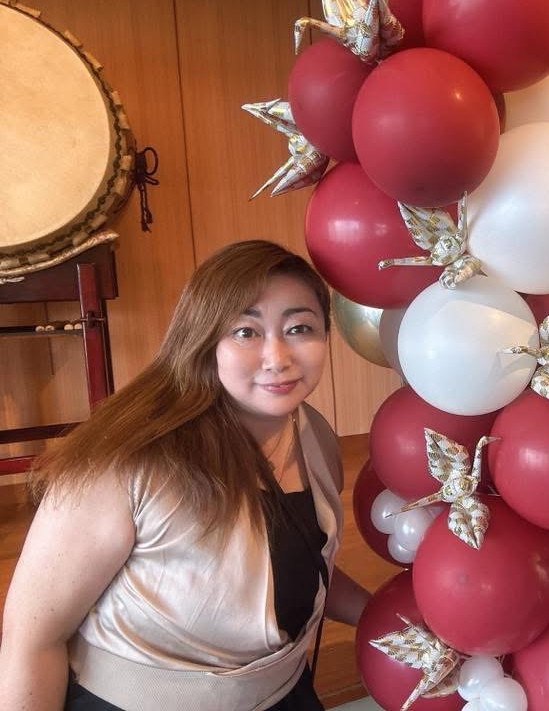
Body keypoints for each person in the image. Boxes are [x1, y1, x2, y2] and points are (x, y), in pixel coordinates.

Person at [0, 240, 371, 711]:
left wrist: (382, 612)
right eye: (245, 331)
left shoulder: (313, 436)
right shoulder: (127, 461)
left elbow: (300, 565)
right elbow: (32, 639)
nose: (277, 357)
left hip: (284, 695)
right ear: (203, 338)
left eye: (300, 328)